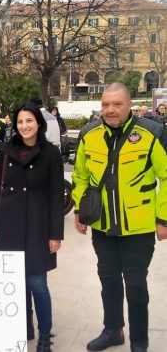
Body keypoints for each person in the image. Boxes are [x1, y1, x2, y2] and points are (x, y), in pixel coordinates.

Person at [72, 82, 167, 352]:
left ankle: (139, 341)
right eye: (105, 104)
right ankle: (113, 330)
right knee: (108, 280)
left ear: (129, 105)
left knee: (136, 285)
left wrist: (164, 218)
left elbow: (166, 175)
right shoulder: (89, 134)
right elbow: (79, 176)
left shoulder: (152, 133)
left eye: (116, 104)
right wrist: (79, 209)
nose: (110, 110)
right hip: (102, 226)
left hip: (138, 229)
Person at [0, 101, 64, 352]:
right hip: (9, 224)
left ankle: (44, 334)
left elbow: (56, 196)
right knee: (15, 283)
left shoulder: (51, 153)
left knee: (37, 283)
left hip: (38, 226)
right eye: (20, 121)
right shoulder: (7, 151)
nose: (24, 126)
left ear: (38, 123)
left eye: (29, 121)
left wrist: (55, 234)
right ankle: (22, 328)